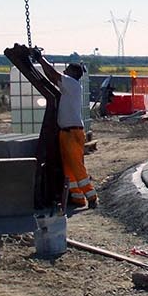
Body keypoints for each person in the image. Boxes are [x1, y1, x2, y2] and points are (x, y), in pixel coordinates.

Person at [58, 62, 97, 209]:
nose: (64, 71)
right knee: (69, 168)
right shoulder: (70, 85)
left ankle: (91, 195)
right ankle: (77, 197)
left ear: (73, 73)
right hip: (66, 131)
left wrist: (41, 60)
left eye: (67, 70)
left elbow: (53, 76)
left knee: (76, 166)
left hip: (71, 132)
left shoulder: (71, 83)